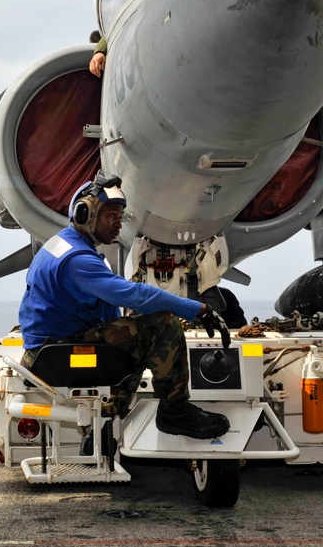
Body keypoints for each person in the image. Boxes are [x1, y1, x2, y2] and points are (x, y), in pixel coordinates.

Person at [18, 170, 230, 440]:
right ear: (85, 214)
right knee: (163, 326)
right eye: (111, 216)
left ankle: (105, 427)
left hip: (48, 349)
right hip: (57, 355)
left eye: (120, 217)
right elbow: (136, 295)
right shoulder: (78, 261)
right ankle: (174, 413)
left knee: (131, 339)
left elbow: (105, 310)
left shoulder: (63, 245)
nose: (118, 224)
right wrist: (197, 309)